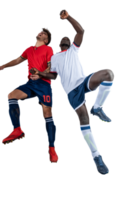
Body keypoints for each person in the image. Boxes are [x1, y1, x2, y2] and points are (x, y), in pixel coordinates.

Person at [50, 7, 115, 175]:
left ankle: (98, 108)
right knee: (84, 119)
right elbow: (53, 78)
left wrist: (69, 17)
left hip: (84, 81)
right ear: (59, 43)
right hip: (71, 93)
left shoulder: (74, 49)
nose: (65, 37)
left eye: (67, 36)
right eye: (62, 37)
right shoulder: (54, 58)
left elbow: (81, 31)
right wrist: (40, 74)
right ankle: (97, 158)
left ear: (70, 41)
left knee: (108, 73)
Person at [0, 27, 59, 165]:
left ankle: (52, 148)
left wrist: (40, 74)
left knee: (47, 113)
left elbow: (51, 67)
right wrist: (3, 66)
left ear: (46, 39)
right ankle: (17, 129)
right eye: (40, 31)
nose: (40, 32)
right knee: (11, 94)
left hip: (44, 84)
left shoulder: (49, 49)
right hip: (30, 83)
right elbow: (17, 60)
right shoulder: (29, 48)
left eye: (44, 33)